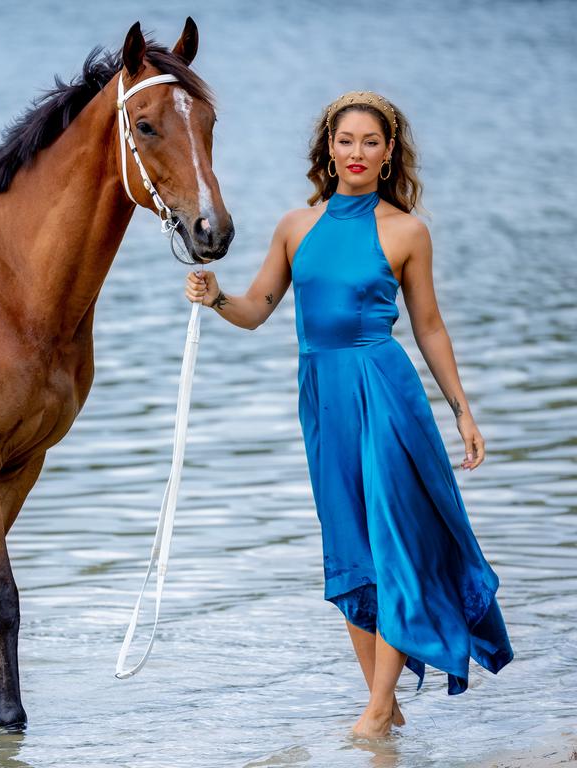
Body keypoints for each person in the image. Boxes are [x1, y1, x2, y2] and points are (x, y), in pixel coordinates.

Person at [186, 91, 513, 739]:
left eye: (370, 142)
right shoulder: (296, 226)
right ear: (327, 149)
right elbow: (257, 310)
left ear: (389, 153)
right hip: (322, 399)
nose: (357, 153)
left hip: (385, 395)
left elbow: (430, 329)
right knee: (350, 555)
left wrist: (463, 414)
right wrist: (217, 297)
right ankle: (383, 708)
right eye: (346, 141)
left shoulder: (406, 231)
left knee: (395, 546)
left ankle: (373, 713)